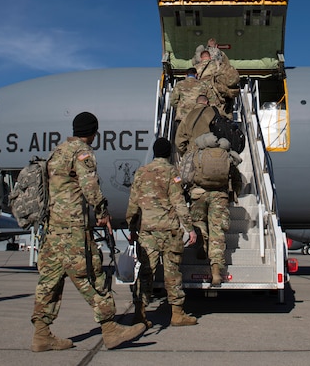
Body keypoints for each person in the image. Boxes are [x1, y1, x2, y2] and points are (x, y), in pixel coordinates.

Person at [30, 112, 145, 352]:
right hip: (73, 230)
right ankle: (110, 329)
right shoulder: (82, 153)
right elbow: (89, 185)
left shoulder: (57, 152)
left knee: (49, 281)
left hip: (53, 228)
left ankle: (42, 334)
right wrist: (102, 213)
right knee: (91, 277)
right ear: (93, 132)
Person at [126, 138, 199, 327]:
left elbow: (133, 202)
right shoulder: (172, 172)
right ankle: (177, 313)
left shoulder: (141, 173)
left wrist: (132, 227)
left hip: (147, 231)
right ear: (168, 153)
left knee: (145, 272)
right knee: (172, 273)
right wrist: (189, 228)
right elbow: (178, 202)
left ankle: (139, 313)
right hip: (168, 231)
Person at [189, 138, 243, 287]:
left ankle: (202, 243)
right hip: (220, 196)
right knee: (217, 232)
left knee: (199, 222)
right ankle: (216, 272)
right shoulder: (227, 156)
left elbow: (187, 175)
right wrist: (233, 194)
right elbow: (237, 180)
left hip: (199, 194)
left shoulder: (197, 154)